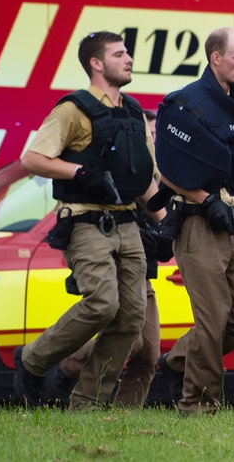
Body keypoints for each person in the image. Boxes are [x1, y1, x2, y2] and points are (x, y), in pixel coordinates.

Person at [14, 31, 162, 410]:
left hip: (128, 224)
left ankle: (86, 405)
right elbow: (31, 159)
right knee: (102, 303)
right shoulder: (72, 109)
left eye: (127, 53)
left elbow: (143, 180)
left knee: (130, 321)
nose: (128, 59)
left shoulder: (133, 112)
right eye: (118, 54)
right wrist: (79, 173)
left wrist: (165, 221)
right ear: (96, 64)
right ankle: (31, 360)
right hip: (85, 222)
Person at [153, 27, 234, 415]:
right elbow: (168, 170)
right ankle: (198, 404)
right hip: (197, 225)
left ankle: (177, 362)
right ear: (215, 58)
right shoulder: (184, 104)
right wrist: (205, 200)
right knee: (213, 320)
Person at [44, 110, 166, 408]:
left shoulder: (162, 176)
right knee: (131, 340)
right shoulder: (127, 171)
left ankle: (123, 417)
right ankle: (65, 368)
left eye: (154, 135)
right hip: (117, 264)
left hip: (144, 270)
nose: (150, 140)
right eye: (146, 134)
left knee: (148, 353)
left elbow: (163, 215)